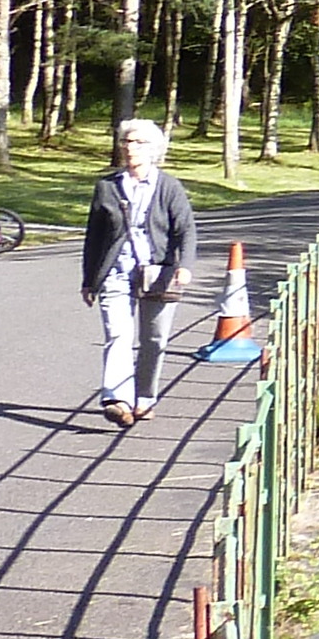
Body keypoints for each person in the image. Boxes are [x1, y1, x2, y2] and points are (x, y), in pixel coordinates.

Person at [82, 119, 199, 428]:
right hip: (115, 273)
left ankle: (144, 398)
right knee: (118, 335)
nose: (129, 148)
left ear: (153, 150)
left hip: (159, 273)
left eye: (137, 143)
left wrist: (184, 266)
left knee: (155, 339)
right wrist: (89, 280)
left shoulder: (169, 187)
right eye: (126, 142)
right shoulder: (107, 186)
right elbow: (94, 236)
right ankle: (116, 399)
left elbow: (185, 230)